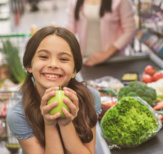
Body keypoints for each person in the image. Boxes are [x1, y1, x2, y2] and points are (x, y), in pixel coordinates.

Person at [7, 26, 102, 154]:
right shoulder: (19, 115)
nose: (53, 64)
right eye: (44, 57)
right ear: (29, 65)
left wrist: (65, 124)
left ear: (75, 70)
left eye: (63, 59)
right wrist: (50, 125)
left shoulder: (89, 98)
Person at [65, 0, 136, 67]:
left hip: (113, 60)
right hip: (85, 60)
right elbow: (70, 29)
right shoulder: (74, 1)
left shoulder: (121, 1)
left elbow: (130, 30)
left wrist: (106, 54)